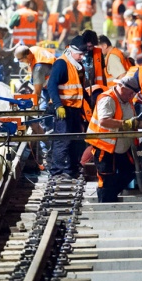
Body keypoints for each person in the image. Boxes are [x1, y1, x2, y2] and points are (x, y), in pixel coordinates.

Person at [85, 76, 140, 202]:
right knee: (106, 177)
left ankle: (111, 195)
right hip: (105, 146)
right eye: (130, 92)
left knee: (130, 171)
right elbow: (104, 121)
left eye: (133, 93)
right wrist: (124, 124)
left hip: (121, 147)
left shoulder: (127, 99)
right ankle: (105, 202)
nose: (132, 95)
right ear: (122, 88)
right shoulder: (108, 99)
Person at [47, 36, 87, 178]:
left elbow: (80, 88)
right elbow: (51, 85)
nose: (82, 57)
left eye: (83, 55)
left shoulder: (77, 66)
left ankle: (72, 170)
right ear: (71, 51)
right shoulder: (62, 64)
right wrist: (58, 105)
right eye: (80, 54)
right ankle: (56, 171)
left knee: (76, 140)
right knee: (62, 141)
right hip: (64, 109)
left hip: (75, 109)